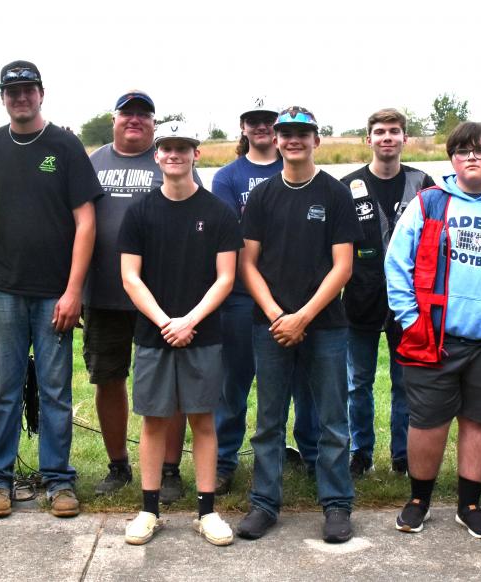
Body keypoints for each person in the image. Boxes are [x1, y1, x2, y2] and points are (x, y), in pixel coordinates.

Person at [385, 122, 481, 540]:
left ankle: (469, 505)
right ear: (452, 159)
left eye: (480, 150)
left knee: (480, 421)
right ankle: (419, 500)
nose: (471, 157)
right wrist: (411, 318)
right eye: (462, 151)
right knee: (428, 422)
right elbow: (396, 265)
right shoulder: (430, 203)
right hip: (436, 337)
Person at [0, 61, 98, 518]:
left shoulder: (64, 145)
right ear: (2, 96)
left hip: (54, 294)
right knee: (4, 389)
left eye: (27, 89)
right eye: (12, 91)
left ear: (41, 93)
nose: (20, 97)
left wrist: (73, 291)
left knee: (55, 389)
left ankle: (59, 480)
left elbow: (86, 221)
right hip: (4, 289)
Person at [235, 106, 361, 543]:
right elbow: (247, 263)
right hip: (269, 326)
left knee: (331, 419)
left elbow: (343, 266)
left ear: (316, 140)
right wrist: (276, 315)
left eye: (302, 134)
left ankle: (337, 504)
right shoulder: (263, 196)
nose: (293, 140)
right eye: (286, 133)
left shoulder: (334, 194)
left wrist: (303, 316)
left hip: (325, 326)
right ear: (276, 139)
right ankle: (264, 504)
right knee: (269, 421)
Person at [119, 122, 241, 546]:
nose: (174, 154)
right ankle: (149, 509)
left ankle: (207, 512)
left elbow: (225, 278)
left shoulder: (218, 212)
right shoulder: (139, 212)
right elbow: (131, 278)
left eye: (182, 148)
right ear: (157, 155)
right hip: (154, 334)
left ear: (196, 154)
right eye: (167, 148)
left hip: (203, 335)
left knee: (203, 420)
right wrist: (165, 322)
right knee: (154, 420)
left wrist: (189, 320)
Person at [86, 90, 203, 503]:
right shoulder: (93, 162)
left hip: (162, 297)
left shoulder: (168, 159)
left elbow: (194, 219)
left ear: (154, 125)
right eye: (126, 114)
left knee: (169, 385)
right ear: (114, 119)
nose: (134, 120)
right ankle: (118, 465)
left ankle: (169, 470)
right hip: (102, 293)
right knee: (109, 379)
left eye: (143, 115)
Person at [210, 98, 319, 495]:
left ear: (277, 128)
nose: (260, 127)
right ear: (243, 127)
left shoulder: (294, 166)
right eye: (253, 121)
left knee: (304, 384)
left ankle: (311, 455)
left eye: (266, 121)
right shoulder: (228, 177)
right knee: (234, 382)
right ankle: (224, 460)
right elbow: (232, 239)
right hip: (242, 295)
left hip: (296, 296)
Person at [339, 108, 435, 478]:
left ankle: (402, 455)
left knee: (404, 382)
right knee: (357, 383)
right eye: (380, 132)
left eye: (394, 131)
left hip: (407, 302)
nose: (387, 138)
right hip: (360, 300)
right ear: (369, 139)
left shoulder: (423, 182)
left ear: (404, 138)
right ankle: (361, 453)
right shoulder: (348, 185)